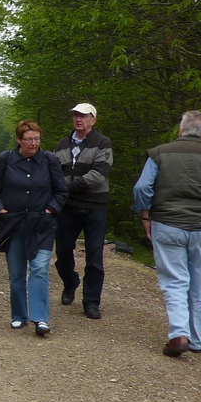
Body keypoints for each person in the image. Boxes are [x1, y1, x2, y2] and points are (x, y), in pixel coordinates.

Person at [132, 110, 201, 357]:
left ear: (180, 130)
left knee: (175, 282)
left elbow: (142, 188)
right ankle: (197, 339)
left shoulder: (159, 153)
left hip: (167, 223)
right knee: (199, 284)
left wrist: (146, 215)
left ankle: (179, 334)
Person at [0, 120, 68, 336]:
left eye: (37, 139)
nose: (34, 143)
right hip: (13, 224)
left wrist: (50, 210)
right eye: (29, 139)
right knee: (16, 274)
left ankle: (41, 319)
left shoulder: (49, 159)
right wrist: (0, 211)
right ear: (19, 140)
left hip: (42, 224)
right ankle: (19, 316)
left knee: (39, 269)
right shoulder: (6, 159)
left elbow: (61, 191)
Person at [54, 102, 114, 319]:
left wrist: (66, 187)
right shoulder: (62, 144)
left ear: (93, 120)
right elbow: (55, 173)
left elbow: (98, 175)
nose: (78, 119)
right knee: (62, 251)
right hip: (68, 207)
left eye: (83, 116)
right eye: (76, 115)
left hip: (94, 206)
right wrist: (60, 189)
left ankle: (91, 302)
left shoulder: (103, 143)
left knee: (94, 254)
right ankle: (70, 282)